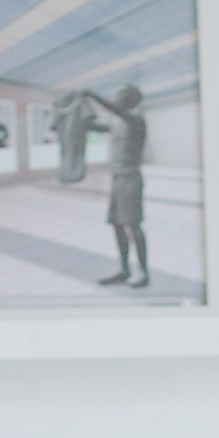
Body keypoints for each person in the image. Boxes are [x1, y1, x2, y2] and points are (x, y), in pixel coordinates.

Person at [72, 82, 150, 287]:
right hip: (117, 179)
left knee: (133, 225)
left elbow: (113, 110)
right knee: (116, 225)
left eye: (120, 95)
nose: (116, 98)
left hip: (130, 178)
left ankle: (144, 273)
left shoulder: (136, 120)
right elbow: (95, 126)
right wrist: (74, 117)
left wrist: (92, 93)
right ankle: (124, 270)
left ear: (131, 99)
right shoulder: (118, 122)